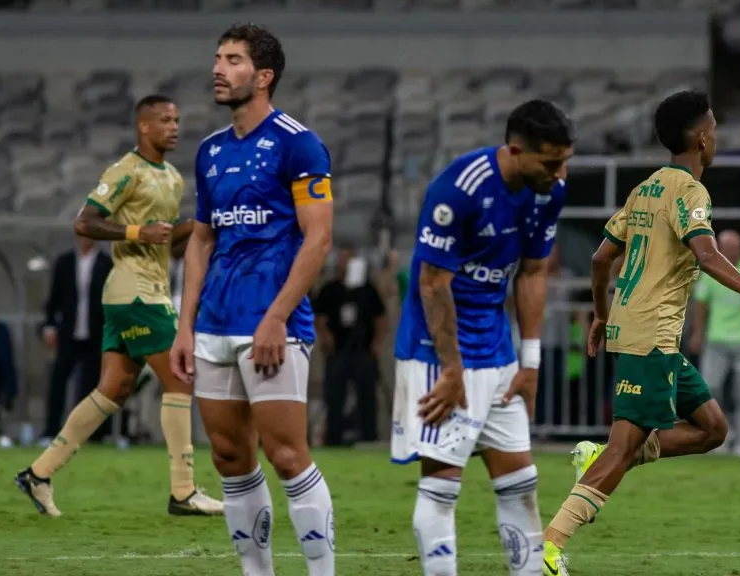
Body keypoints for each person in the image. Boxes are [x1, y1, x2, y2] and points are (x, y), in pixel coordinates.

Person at [540, 91, 740, 576]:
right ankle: (551, 541)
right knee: (624, 448)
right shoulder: (690, 192)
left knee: (713, 429)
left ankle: (602, 457)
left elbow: (602, 258)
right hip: (650, 336)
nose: (716, 137)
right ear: (702, 138)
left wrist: (602, 314)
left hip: (645, 332)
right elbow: (707, 257)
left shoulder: (645, 188)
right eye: (714, 128)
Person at [169, 24, 336, 576]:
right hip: (215, 322)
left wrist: (277, 317)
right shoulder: (210, 150)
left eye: (233, 59)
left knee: (287, 456)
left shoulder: (298, 143)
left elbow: (319, 239)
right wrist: (184, 325)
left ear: (263, 77)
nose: (218, 68)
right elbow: (202, 238)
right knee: (229, 458)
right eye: (217, 57)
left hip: (272, 324)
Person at [14, 95, 222, 518]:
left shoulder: (174, 179)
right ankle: (183, 491)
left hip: (142, 292)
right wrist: (135, 232)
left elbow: (168, 241)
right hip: (135, 293)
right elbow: (84, 221)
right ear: (143, 127)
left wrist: (203, 225)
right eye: (165, 120)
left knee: (113, 390)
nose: (174, 127)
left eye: (177, 119)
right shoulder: (125, 171)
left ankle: (39, 473)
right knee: (181, 379)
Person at [392, 99, 572, 576]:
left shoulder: (548, 191)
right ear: (515, 150)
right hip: (437, 352)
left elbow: (532, 273)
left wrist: (529, 361)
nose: (560, 173)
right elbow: (431, 283)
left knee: (520, 482)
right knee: (442, 487)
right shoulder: (458, 190)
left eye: (565, 161)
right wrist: (452, 370)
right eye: (551, 162)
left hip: (497, 351)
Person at [688, 229, 740, 454]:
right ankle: (720, 438)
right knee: (710, 389)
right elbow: (701, 305)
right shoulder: (710, 271)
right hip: (716, 341)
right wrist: (698, 333)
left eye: (736, 249)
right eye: (728, 249)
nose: (733, 253)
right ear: (720, 249)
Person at [38, 237, 113, 444]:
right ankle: (51, 429)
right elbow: (54, 299)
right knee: (58, 380)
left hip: (96, 335)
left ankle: (92, 432)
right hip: (69, 334)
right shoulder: (64, 262)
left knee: (91, 385)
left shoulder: (106, 264)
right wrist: (50, 326)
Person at [315, 244, 387, 446]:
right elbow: (320, 318)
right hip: (338, 349)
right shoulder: (329, 290)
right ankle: (334, 437)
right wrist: (325, 338)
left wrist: (376, 344)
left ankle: (368, 435)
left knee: (367, 393)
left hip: (362, 349)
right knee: (334, 394)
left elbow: (380, 319)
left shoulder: (367, 290)